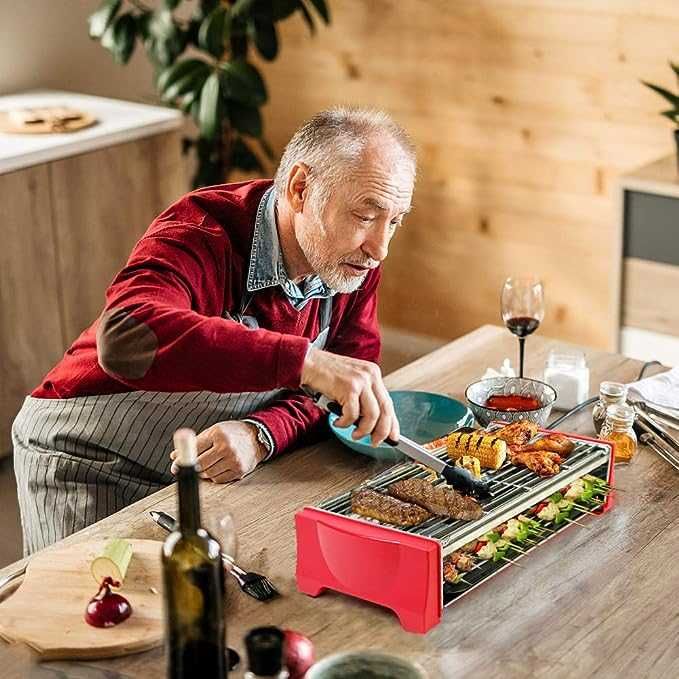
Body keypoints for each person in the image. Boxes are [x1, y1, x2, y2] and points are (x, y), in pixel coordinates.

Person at [12, 107, 416, 554]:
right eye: (365, 215)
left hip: (197, 466)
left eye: (395, 220)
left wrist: (261, 433)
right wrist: (305, 361)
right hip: (84, 458)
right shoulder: (201, 231)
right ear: (301, 189)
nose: (380, 247)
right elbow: (125, 336)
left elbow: (345, 390)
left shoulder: (351, 262)